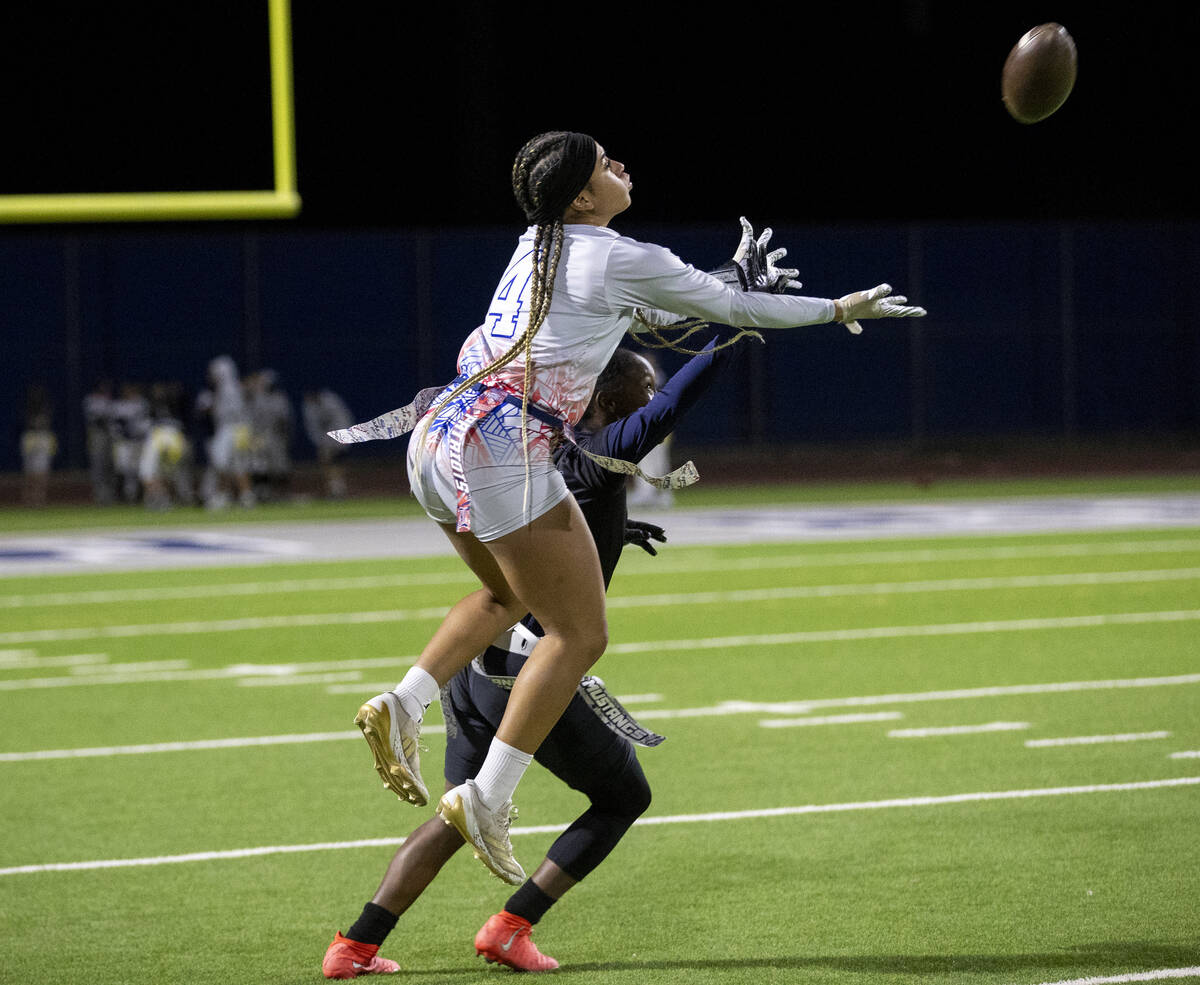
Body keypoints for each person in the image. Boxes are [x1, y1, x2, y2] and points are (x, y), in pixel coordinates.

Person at [344, 130, 925, 887]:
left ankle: (404, 697)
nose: (620, 164)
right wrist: (836, 308)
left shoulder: (537, 243)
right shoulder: (620, 254)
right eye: (604, 162)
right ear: (583, 196)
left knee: (506, 593)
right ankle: (488, 797)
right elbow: (729, 308)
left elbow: (639, 310)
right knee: (579, 633)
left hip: (435, 433)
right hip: (500, 444)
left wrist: (721, 275)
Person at [323, 331, 750, 978]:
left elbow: (563, 517)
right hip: (525, 668)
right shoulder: (600, 443)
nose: (650, 398)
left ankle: (355, 943)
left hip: (474, 667)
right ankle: (510, 924)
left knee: (462, 808)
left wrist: (615, 530)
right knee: (621, 796)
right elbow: (666, 412)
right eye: (639, 389)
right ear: (605, 399)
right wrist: (731, 335)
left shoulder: (531, 447)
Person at [302, 387, 354, 498]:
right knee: (327, 464)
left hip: (341, 435)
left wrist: (341, 441)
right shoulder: (309, 407)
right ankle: (334, 490)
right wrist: (321, 444)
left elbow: (343, 420)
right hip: (325, 439)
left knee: (336, 463)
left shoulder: (331, 401)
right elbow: (313, 428)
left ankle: (338, 490)